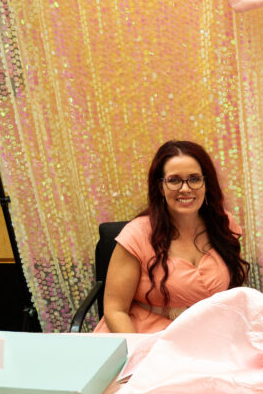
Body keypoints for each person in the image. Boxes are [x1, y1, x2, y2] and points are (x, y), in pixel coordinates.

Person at [95, 140, 249, 333]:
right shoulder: (136, 235)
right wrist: (138, 354)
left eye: (194, 179)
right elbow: (115, 310)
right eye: (174, 180)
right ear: (161, 187)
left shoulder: (223, 224)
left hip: (205, 336)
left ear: (206, 183)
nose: (185, 189)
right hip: (144, 337)